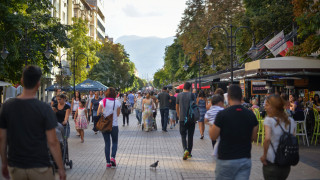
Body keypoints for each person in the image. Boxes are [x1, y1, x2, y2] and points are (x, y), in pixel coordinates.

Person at [0, 65, 66, 180]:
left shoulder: (7, 107)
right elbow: (53, 141)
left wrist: (4, 163)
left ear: (22, 81)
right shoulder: (44, 108)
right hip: (40, 167)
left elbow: (2, 138)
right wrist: (60, 168)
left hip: (16, 166)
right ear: (38, 83)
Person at [209, 84, 258, 180]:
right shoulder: (251, 115)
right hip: (244, 159)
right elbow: (254, 138)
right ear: (241, 97)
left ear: (228, 97)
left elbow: (213, 136)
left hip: (226, 159)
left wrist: (211, 124)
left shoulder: (222, 115)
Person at [260, 95, 296, 180]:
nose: (265, 107)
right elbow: (293, 138)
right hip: (286, 163)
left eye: (267, 105)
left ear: (273, 107)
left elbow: (267, 139)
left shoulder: (269, 120)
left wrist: (264, 156)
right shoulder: (291, 121)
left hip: (272, 161)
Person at [97, 88, 121, 168]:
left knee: (107, 143)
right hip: (114, 125)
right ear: (114, 94)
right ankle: (113, 158)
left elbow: (98, 113)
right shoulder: (117, 102)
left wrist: (105, 112)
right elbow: (117, 114)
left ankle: (108, 162)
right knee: (115, 142)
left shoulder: (102, 101)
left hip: (105, 125)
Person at [176, 82, 196, 160]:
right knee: (190, 136)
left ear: (183, 87)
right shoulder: (192, 95)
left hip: (182, 118)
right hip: (191, 118)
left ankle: (185, 150)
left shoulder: (179, 95)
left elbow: (177, 106)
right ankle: (189, 153)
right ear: (190, 88)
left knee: (183, 135)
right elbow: (195, 105)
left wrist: (178, 114)